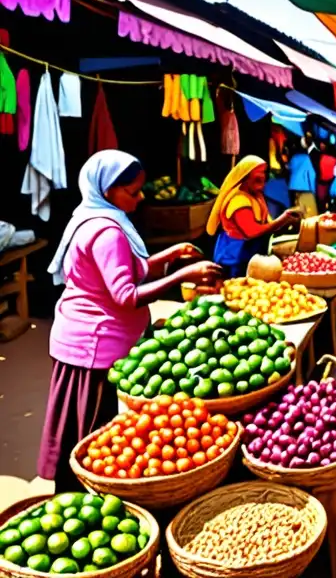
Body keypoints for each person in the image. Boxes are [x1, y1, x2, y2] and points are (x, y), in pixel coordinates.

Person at [39, 150, 221, 492]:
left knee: (87, 434)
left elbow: (130, 268)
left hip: (83, 338)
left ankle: (76, 496)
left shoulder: (93, 217)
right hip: (92, 345)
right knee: (90, 439)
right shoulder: (107, 232)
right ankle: (76, 501)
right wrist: (184, 274)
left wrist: (169, 256)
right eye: (132, 192)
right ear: (107, 190)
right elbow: (125, 293)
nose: (140, 199)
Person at [208, 155, 302, 277]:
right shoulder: (238, 201)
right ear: (245, 177)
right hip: (234, 260)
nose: (262, 177)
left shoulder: (257, 197)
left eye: (263, 173)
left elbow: (267, 227)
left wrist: (287, 222)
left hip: (251, 259)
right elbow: (251, 232)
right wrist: (282, 219)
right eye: (257, 174)